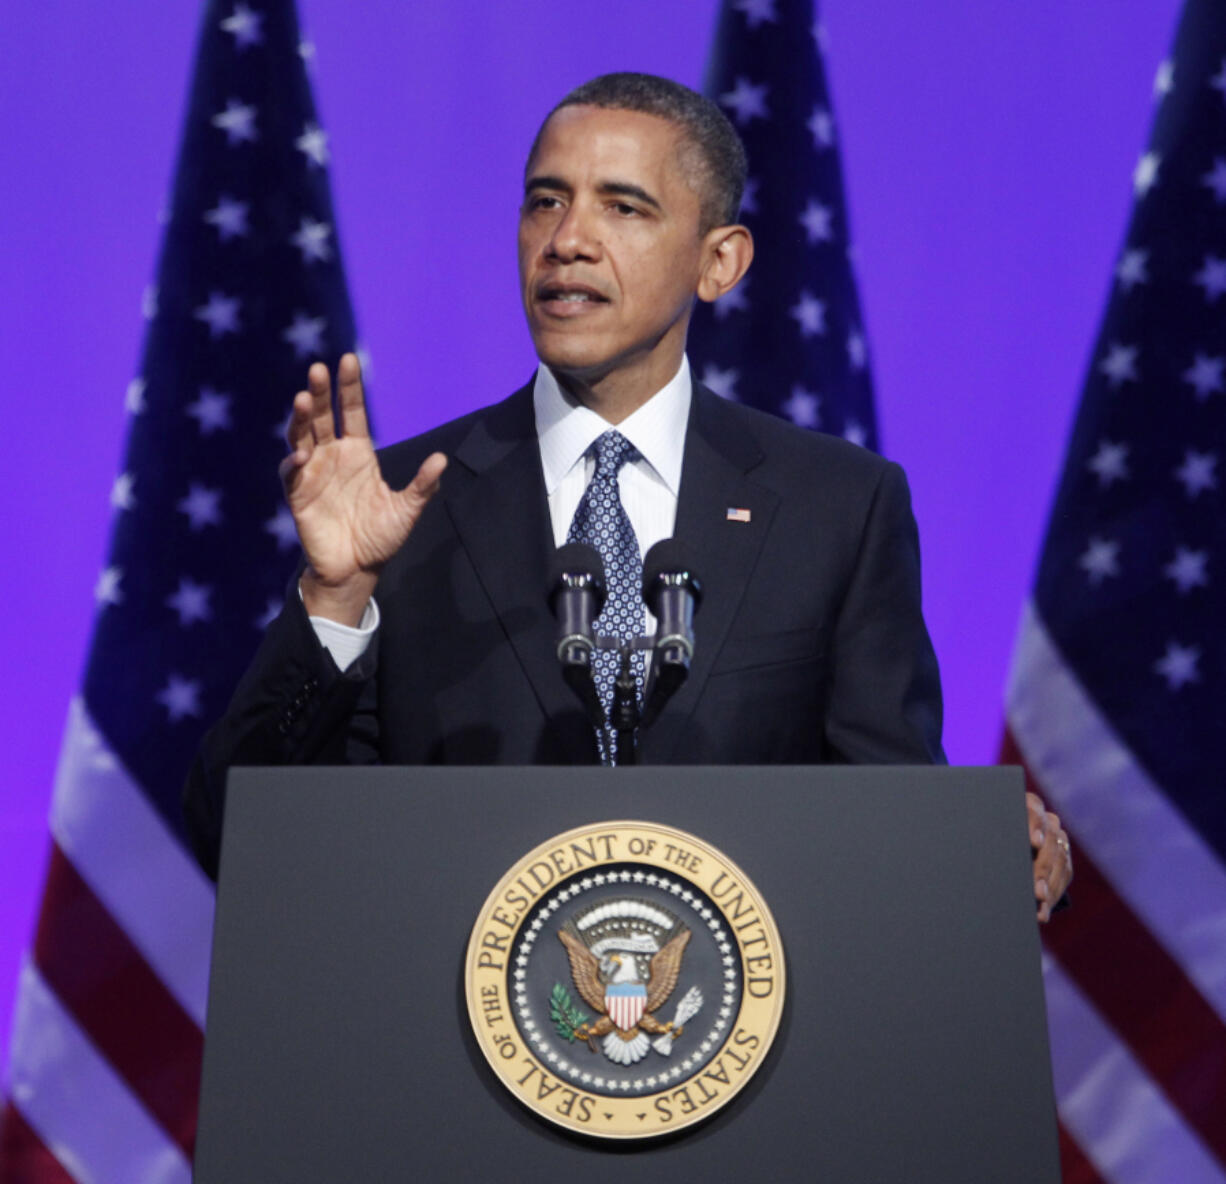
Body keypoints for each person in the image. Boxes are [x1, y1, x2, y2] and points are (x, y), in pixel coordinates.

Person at [184, 72, 1072, 918]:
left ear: (719, 261)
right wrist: (337, 600)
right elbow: (238, 838)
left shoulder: (836, 505)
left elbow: (889, 816)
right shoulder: (404, 503)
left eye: (623, 206)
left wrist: (981, 851)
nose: (567, 238)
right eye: (545, 201)